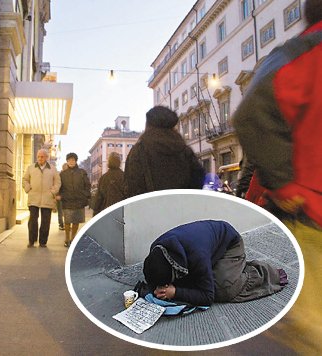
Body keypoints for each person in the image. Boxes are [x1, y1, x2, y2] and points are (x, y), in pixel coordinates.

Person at [232, 1, 322, 352]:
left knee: (314, 324)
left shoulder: (302, 51)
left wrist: (282, 183)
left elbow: (252, 114)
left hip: (311, 208)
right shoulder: (308, 51)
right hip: (311, 209)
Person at [142, 220, 286, 306]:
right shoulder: (157, 249)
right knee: (194, 281)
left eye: (165, 283)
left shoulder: (197, 255)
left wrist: (175, 292)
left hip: (230, 244)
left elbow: (207, 297)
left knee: (223, 289)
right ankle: (230, 268)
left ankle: (254, 270)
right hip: (206, 249)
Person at [124, 106, 205, 198]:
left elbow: (131, 186)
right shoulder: (184, 150)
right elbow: (198, 178)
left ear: (148, 124)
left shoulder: (139, 150)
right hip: (180, 208)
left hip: (150, 208)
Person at [22, 149, 61, 247]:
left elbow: (57, 182)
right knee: (32, 221)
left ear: (46, 157)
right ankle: (31, 241)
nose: (40, 158)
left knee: (46, 221)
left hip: (47, 198)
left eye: (42, 156)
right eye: (38, 156)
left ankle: (43, 242)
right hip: (33, 197)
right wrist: (28, 188)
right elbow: (25, 179)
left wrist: (53, 191)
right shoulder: (31, 167)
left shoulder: (52, 168)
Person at [59, 153, 91, 247]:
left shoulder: (82, 172)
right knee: (67, 222)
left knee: (76, 221)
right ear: (67, 161)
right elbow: (60, 186)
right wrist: (60, 195)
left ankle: (73, 239)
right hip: (67, 200)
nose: (71, 162)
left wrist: (84, 195)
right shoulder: (63, 174)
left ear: (76, 161)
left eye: (73, 160)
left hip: (79, 201)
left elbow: (87, 185)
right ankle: (66, 239)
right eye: (69, 160)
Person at [93, 152, 125, 216]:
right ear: (119, 162)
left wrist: (95, 213)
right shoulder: (125, 176)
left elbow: (99, 197)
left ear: (109, 162)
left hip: (106, 209)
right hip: (122, 209)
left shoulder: (104, 178)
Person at [56, 163, 68, 230]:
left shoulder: (69, 176)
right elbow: (57, 186)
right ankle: (61, 224)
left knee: (66, 211)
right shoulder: (59, 176)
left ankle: (66, 224)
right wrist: (57, 195)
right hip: (60, 196)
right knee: (60, 211)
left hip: (66, 197)